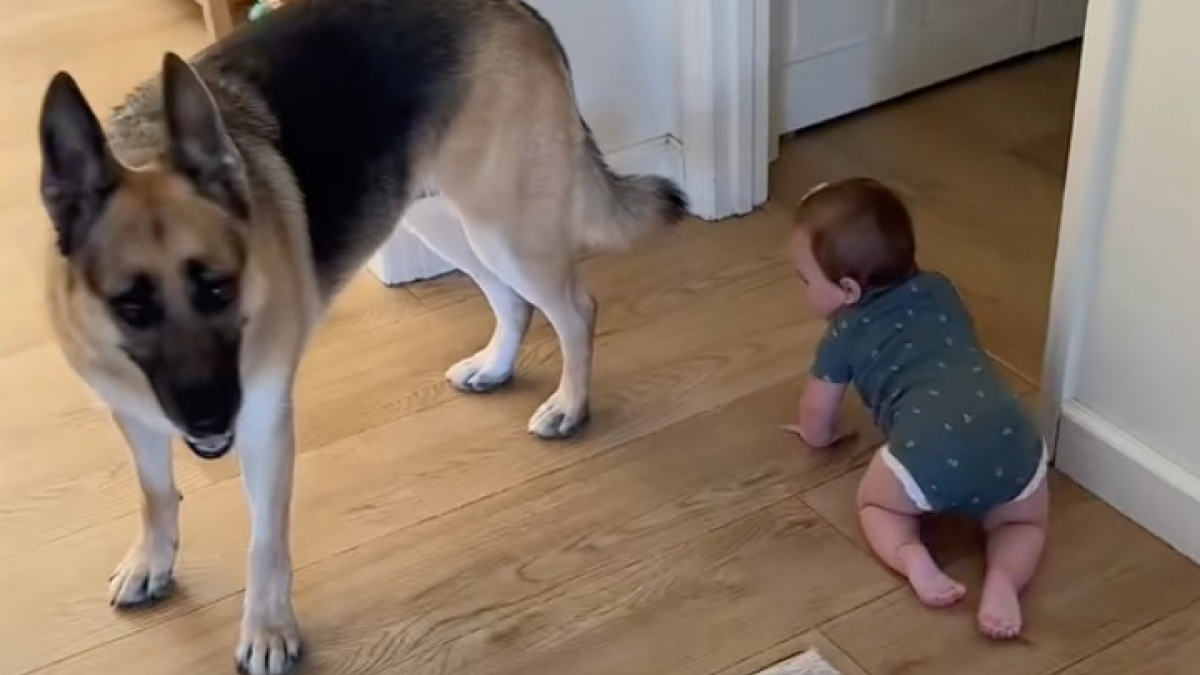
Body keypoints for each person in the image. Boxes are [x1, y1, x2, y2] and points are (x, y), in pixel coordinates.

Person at [783, 177, 1048, 640]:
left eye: (805, 280)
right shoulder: (940, 288)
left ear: (847, 290)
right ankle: (1004, 579)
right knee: (1024, 521)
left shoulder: (842, 334)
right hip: (1012, 435)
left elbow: (817, 410)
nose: (803, 290)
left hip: (928, 453)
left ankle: (912, 557)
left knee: (876, 505)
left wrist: (817, 436)